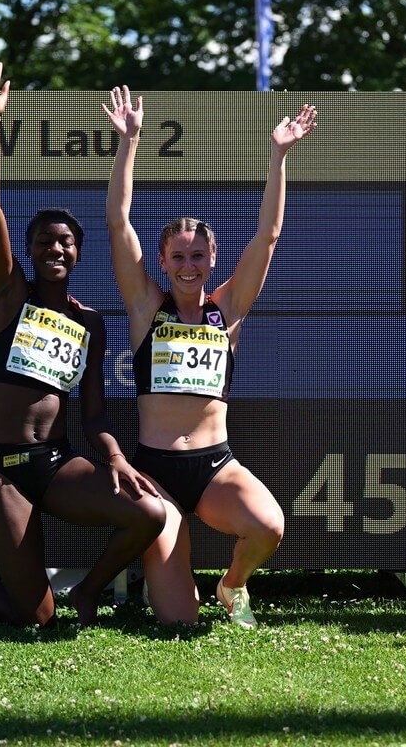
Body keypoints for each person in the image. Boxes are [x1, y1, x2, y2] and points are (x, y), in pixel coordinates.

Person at [0, 58, 167, 628]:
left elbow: (94, 412)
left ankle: (89, 592)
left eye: (66, 243)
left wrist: (113, 456)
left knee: (149, 513)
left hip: (58, 463)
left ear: (78, 254)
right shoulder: (10, 293)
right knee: (35, 618)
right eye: (45, 241)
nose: (56, 250)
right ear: (30, 249)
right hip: (3, 467)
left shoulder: (89, 322)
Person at [102, 85, 317, 627]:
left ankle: (232, 584)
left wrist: (279, 156)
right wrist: (128, 143)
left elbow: (267, 238)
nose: (189, 265)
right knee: (178, 623)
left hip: (216, 466)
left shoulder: (229, 310)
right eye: (179, 256)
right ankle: (177, 590)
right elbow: (116, 223)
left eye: (199, 255)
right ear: (164, 260)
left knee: (269, 525)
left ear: (213, 258)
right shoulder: (147, 306)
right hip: (156, 471)